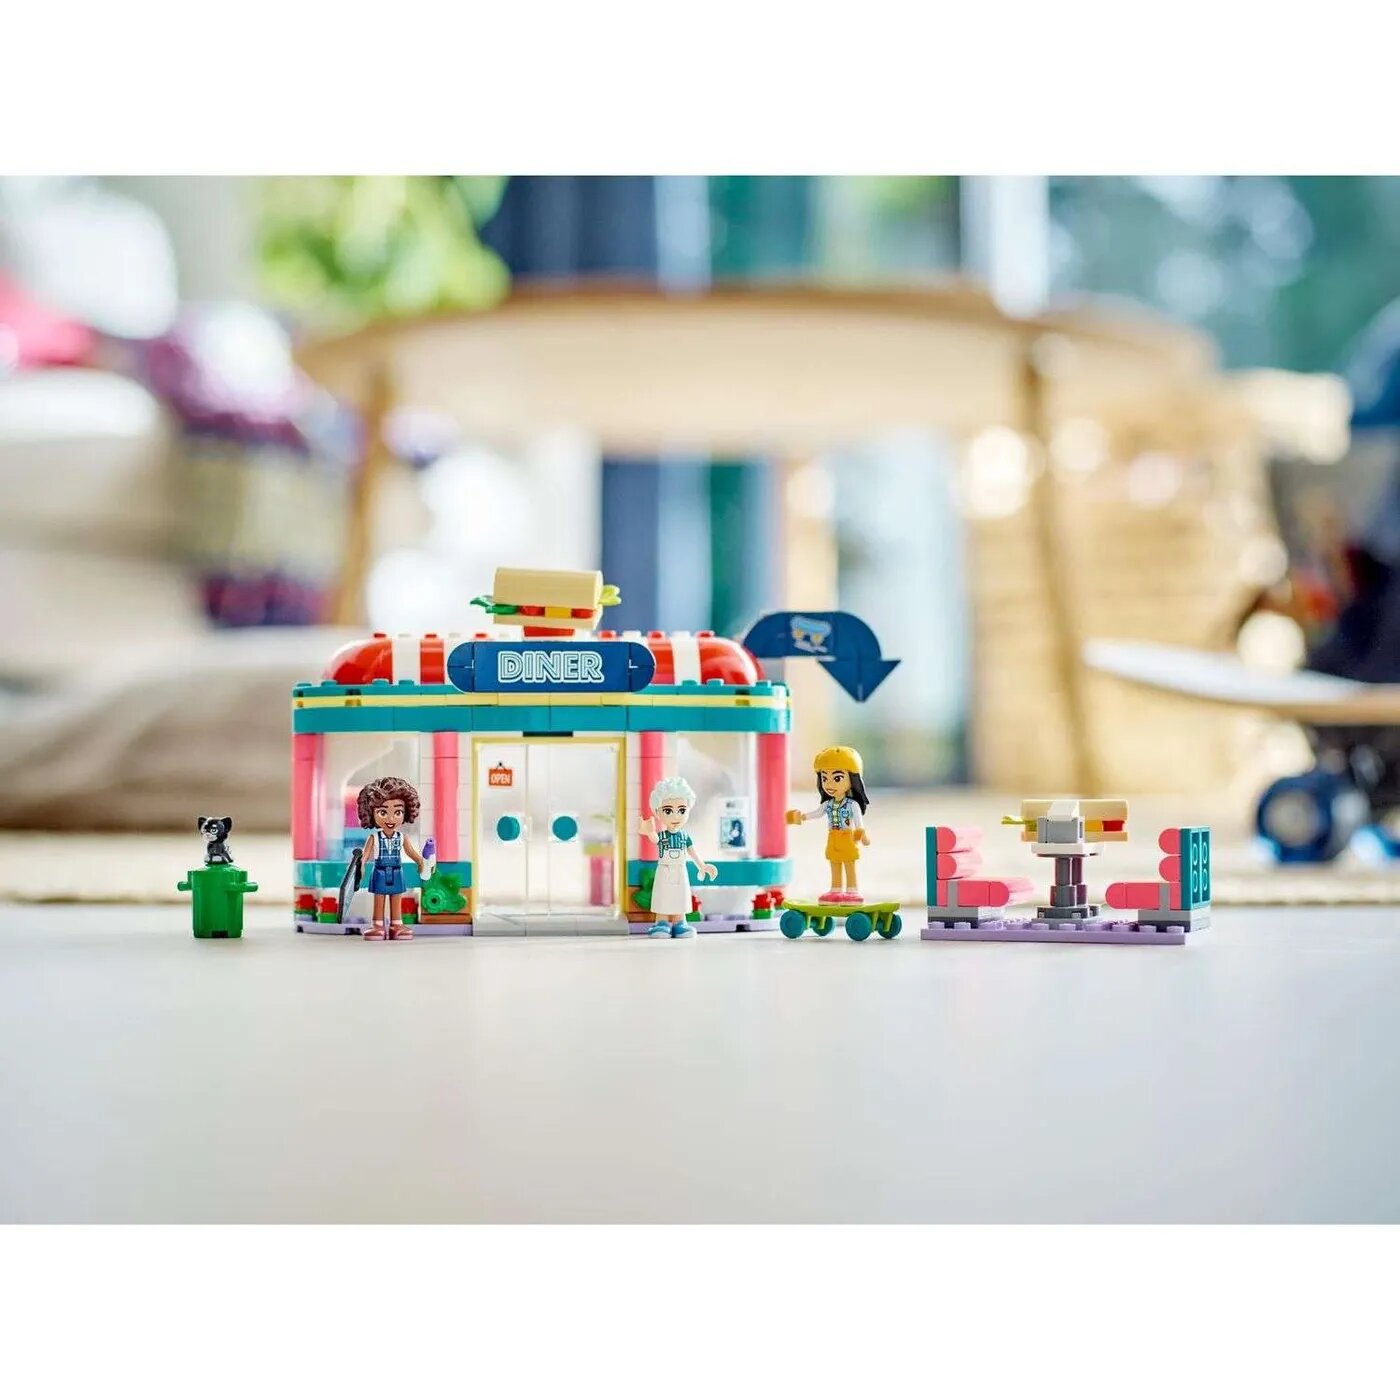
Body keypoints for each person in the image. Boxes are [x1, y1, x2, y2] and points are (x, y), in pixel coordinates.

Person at [785, 746, 871, 904]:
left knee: (849, 863)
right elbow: (817, 813)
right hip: (833, 838)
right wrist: (801, 817)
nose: (829, 784)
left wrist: (862, 835)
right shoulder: (828, 804)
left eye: (837, 778)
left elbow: (859, 822)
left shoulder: (852, 804)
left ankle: (852, 890)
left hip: (847, 838)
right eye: (824, 778)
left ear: (853, 779)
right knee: (834, 862)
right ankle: (835, 889)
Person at [639, 776, 717, 938]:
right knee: (663, 896)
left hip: (680, 870)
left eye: (681, 810)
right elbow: (654, 839)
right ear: (658, 812)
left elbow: (692, 852)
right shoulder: (662, 836)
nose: (676, 816)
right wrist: (649, 832)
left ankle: (680, 923)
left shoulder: (685, 837)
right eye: (668, 811)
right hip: (665, 870)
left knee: (680, 897)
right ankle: (661, 923)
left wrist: (702, 866)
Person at [356, 776, 428, 940]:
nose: (390, 819)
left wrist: (419, 861)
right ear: (371, 813)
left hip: (397, 871)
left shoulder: (401, 837)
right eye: (383, 812)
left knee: (396, 898)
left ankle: (396, 924)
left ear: (405, 812)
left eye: (397, 812)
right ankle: (377, 925)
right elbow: (365, 856)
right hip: (379, 871)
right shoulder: (374, 837)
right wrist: (361, 866)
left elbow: (410, 852)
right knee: (379, 898)